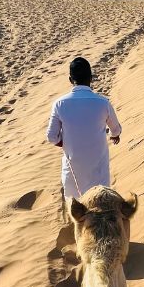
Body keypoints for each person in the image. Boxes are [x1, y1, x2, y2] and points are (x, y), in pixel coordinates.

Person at [46, 56, 122, 201]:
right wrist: (114, 135)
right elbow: (116, 129)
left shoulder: (59, 104)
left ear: (70, 79)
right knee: (100, 207)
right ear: (91, 78)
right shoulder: (103, 102)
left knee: (77, 212)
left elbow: (51, 137)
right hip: (99, 173)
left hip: (72, 172)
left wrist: (64, 142)